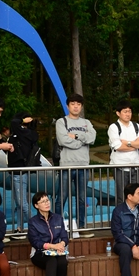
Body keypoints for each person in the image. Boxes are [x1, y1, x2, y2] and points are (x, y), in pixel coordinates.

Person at [55, 94, 97, 231]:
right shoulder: (62, 122)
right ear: (67, 106)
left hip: (83, 165)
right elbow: (63, 140)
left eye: (78, 104)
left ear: (81, 106)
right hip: (66, 165)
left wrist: (77, 136)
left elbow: (92, 138)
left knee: (82, 198)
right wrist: (81, 143)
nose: (76, 106)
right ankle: (57, 226)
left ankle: (81, 226)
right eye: (73, 104)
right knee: (62, 198)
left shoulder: (87, 123)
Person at [26, 191, 70, 276]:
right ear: (36, 205)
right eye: (43, 201)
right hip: (39, 253)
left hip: (57, 251)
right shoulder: (33, 222)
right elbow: (35, 242)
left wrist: (62, 244)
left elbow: (65, 236)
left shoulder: (57, 218)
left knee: (62, 260)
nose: (46, 203)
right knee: (51, 260)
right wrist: (52, 246)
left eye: (47, 200)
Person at [6, 112, 42, 230]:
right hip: (15, 170)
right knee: (19, 202)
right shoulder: (22, 135)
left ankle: (38, 226)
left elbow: (13, 122)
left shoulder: (25, 133)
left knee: (22, 203)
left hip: (19, 171)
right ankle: (19, 227)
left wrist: (21, 119)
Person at [107, 101, 139, 206]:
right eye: (125, 111)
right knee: (122, 196)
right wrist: (135, 145)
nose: (128, 114)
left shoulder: (136, 126)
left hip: (135, 166)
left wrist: (127, 142)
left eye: (129, 111)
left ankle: (136, 219)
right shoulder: (114, 127)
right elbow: (118, 146)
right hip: (120, 166)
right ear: (118, 113)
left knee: (137, 195)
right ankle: (122, 220)